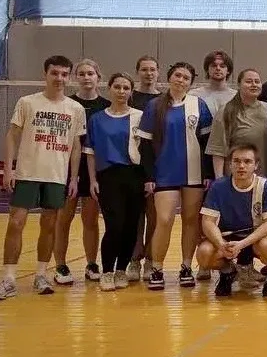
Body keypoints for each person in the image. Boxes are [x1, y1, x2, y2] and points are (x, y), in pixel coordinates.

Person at [0, 55, 87, 301]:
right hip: (27, 173)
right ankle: (9, 279)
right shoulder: (27, 102)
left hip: (56, 176)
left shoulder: (75, 109)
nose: (59, 78)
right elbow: (12, 135)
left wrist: (73, 178)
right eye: (55, 73)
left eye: (64, 74)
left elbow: (76, 146)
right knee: (16, 223)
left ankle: (41, 275)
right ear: (45, 74)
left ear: (69, 77)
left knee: (49, 225)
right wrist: (8, 169)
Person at [138, 62, 214, 290]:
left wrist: (208, 173)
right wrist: (149, 176)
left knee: (191, 221)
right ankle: (157, 268)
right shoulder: (154, 105)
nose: (181, 80)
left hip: (194, 174)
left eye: (186, 77)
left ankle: (186, 267)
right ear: (169, 78)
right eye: (177, 75)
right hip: (164, 173)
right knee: (164, 220)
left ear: (191, 83)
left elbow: (207, 143)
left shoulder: (198, 105)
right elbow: (145, 145)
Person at [194, 144, 267, 297]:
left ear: (256, 165)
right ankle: (228, 272)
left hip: (256, 238)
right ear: (230, 165)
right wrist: (221, 244)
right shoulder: (218, 187)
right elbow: (208, 222)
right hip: (228, 239)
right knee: (204, 253)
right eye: (236, 161)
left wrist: (242, 244)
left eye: (247, 161)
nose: (241, 166)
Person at [84, 73, 146, 291]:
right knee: (114, 225)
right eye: (117, 87)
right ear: (109, 88)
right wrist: (93, 179)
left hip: (135, 176)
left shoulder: (139, 117)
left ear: (131, 91)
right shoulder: (97, 119)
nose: (121, 91)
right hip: (109, 176)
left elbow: (148, 151)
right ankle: (107, 271)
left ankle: (121, 269)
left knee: (131, 226)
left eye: (126, 88)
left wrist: (148, 178)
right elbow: (90, 152)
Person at [54, 59, 110, 285]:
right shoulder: (66, 104)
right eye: (82, 73)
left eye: (91, 73)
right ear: (75, 77)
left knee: (91, 219)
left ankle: (91, 263)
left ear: (98, 77)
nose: (87, 77)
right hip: (66, 169)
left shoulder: (107, 106)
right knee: (63, 219)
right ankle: (60, 265)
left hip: (93, 171)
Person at [126, 55, 161, 282]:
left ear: (158, 72)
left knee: (154, 216)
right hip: (132, 165)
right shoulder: (130, 97)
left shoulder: (163, 100)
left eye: (152, 69)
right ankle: (134, 259)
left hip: (156, 165)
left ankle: (150, 259)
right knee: (135, 215)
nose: (149, 73)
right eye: (144, 69)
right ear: (138, 72)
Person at [207, 69, 267, 179]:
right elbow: (218, 150)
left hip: (265, 177)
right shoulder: (226, 111)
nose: (254, 85)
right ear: (239, 84)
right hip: (238, 178)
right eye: (249, 81)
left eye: (257, 81)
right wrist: (219, 180)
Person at [190, 50, 237, 117]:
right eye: (214, 65)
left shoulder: (236, 97)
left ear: (228, 71)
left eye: (222, 66)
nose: (218, 68)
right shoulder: (194, 95)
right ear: (207, 69)